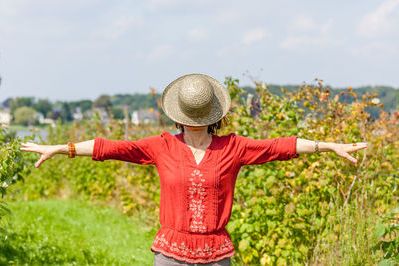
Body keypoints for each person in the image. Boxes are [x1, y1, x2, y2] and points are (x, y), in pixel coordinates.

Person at [21, 74, 367, 266]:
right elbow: (110, 148)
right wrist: (61, 148)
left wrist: (328, 146)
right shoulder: (161, 145)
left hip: (217, 256)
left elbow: (282, 146)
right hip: (170, 255)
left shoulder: (234, 146)